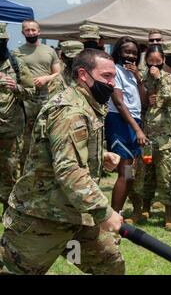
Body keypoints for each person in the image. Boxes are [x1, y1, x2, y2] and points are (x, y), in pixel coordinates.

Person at [0, 48, 125, 275]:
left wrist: (100, 155)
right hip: (43, 216)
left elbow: (67, 150)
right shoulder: (70, 111)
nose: (112, 83)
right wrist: (104, 212)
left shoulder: (88, 104)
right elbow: (69, 171)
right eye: (106, 76)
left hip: (77, 215)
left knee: (109, 265)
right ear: (83, 75)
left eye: (114, 76)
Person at [139, 43, 171, 231]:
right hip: (146, 134)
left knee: (166, 177)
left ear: (163, 61)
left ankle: (170, 215)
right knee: (145, 176)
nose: (154, 66)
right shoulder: (142, 78)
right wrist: (147, 94)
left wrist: (160, 80)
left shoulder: (170, 78)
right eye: (151, 61)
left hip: (166, 136)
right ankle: (143, 209)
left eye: (158, 62)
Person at [106, 36, 148, 222]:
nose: (130, 55)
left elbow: (145, 104)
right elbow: (119, 103)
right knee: (124, 171)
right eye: (126, 52)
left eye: (134, 53)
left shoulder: (133, 73)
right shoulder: (114, 71)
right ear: (118, 53)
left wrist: (139, 79)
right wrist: (137, 130)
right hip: (120, 122)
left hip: (134, 121)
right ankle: (114, 215)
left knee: (130, 172)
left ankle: (119, 212)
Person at [13, 19, 61, 174]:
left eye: (33, 30)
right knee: (27, 139)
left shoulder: (49, 51)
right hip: (26, 102)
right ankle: (25, 174)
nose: (31, 33)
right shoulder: (16, 52)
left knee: (48, 136)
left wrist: (46, 78)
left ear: (39, 31)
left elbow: (58, 73)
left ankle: (47, 172)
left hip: (47, 99)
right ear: (23, 32)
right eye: (27, 30)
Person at [0, 23, 34, 211]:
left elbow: (31, 91)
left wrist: (16, 87)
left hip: (10, 128)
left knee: (9, 169)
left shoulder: (15, 63)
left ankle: (9, 208)